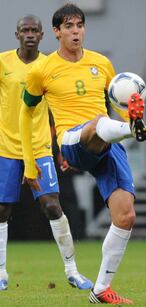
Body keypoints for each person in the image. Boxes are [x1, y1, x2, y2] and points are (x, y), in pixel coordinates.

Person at [19, 4, 146, 304]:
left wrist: (143, 129)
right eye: (69, 27)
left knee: (126, 216)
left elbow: (117, 109)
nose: (76, 32)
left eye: (80, 26)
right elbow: (26, 113)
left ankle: (100, 290)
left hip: (106, 142)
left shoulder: (102, 64)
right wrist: (30, 162)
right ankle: (130, 130)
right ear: (57, 32)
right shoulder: (41, 70)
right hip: (73, 139)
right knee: (98, 124)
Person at [0, 15, 92, 291]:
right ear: (17, 35)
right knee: (2, 209)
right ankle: (1, 272)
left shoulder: (52, 65)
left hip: (40, 148)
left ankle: (72, 271)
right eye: (24, 30)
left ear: (42, 36)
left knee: (52, 205)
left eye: (34, 31)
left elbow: (59, 109)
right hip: (6, 147)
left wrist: (63, 149)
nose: (29, 34)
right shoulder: (3, 62)